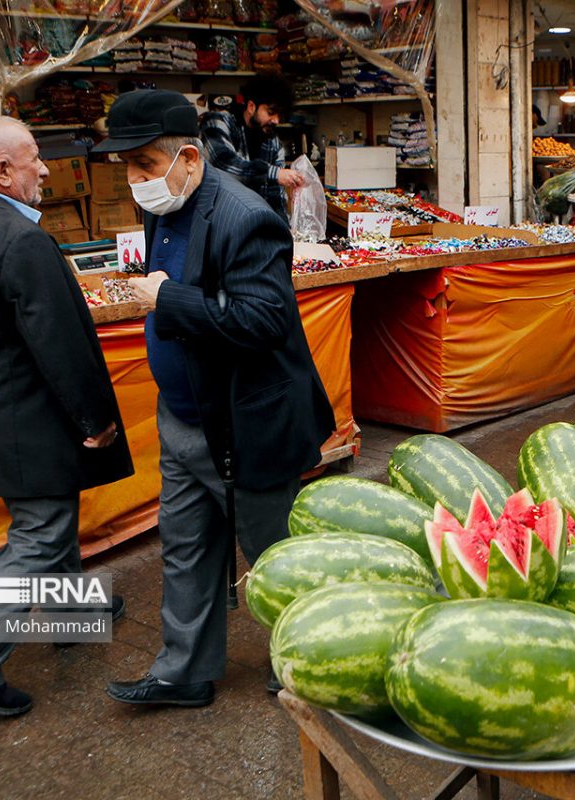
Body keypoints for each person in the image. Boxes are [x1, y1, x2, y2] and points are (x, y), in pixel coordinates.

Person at [95, 91, 335, 707]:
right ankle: (185, 672)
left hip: (245, 420)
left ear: (188, 159)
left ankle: (307, 663)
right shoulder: (163, 209)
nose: (136, 181)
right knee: (186, 546)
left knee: (273, 554)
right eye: (128, 168)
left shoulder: (244, 215)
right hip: (183, 417)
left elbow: (264, 320)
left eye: (145, 166)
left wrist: (166, 300)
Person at [0, 117, 133, 717]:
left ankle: (73, 611)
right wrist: (94, 418)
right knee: (40, 533)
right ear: (2, 172)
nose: (45, 169)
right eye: (34, 159)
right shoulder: (22, 240)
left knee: (48, 518)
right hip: (27, 416)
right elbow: (61, 342)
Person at [200, 78, 302, 220]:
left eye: (280, 115)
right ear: (251, 106)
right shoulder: (218, 122)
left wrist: (283, 230)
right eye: (271, 112)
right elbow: (223, 164)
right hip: (217, 219)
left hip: (252, 223)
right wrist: (273, 173)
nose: (276, 120)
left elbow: (276, 197)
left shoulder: (273, 143)